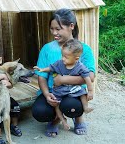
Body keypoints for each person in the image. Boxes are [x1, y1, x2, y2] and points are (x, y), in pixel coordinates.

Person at [32, 8, 96, 137]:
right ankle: (55, 119)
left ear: (71, 26)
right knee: (40, 111)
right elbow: (42, 76)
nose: (54, 32)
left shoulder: (83, 49)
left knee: (72, 106)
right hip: (53, 91)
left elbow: (90, 76)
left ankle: (78, 118)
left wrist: (63, 80)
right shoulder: (47, 49)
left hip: (74, 92)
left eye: (58, 29)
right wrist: (46, 94)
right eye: (52, 29)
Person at [33, 39, 94, 131]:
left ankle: (85, 109)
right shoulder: (60, 63)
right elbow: (51, 68)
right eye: (62, 55)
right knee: (57, 104)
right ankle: (61, 120)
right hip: (60, 89)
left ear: (76, 58)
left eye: (66, 57)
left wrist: (90, 90)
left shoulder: (80, 66)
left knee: (82, 93)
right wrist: (42, 70)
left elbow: (87, 78)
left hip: (73, 88)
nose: (63, 58)